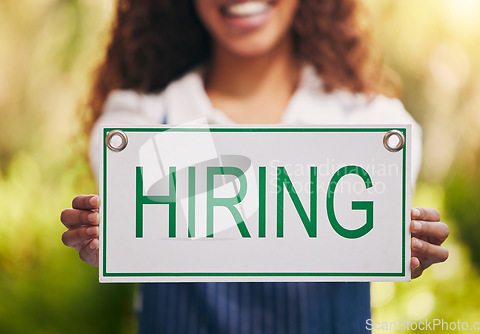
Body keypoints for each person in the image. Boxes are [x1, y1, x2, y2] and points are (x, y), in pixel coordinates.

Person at [60, 0, 450, 333]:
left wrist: (397, 249)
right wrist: (115, 242)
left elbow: (374, 247)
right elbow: (139, 235)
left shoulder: (372, 124)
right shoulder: (139, 119)